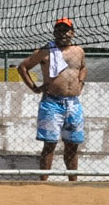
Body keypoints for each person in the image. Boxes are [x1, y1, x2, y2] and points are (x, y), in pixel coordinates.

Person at [17, 18, 87, 181]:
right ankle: (44, 183)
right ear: (54, 32)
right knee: (49, 145)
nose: (62, 33)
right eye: (59, 30)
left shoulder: (79, 51)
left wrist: (81, 82)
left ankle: (73, 183)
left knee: (72, 145)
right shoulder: (45, 51)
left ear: (72, 33)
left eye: (66, 30)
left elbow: (83, 67)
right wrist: (35, 88)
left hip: (73, 103)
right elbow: (23, 67)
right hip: (52, 103)